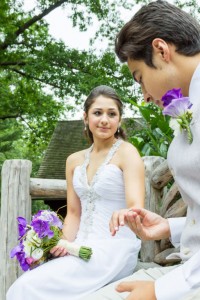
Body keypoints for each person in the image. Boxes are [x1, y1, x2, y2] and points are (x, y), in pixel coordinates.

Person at [80, 1, 200, 300]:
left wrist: (161, 291)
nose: (145, 96)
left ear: (161, 50)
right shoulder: (189, 103)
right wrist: (169, 226)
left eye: (140, 78)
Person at [6, 85, 145, 300]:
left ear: (119, 120)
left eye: (112, 114)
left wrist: (127, 214)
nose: (104, 120)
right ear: (85, 117)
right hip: (79, 246)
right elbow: (73, 214)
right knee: (22, 287)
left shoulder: (128, 153)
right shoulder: (73, 160)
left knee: (26, 289)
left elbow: (136, 207)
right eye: (97, 113)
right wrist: (59, 245)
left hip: (114, 248)